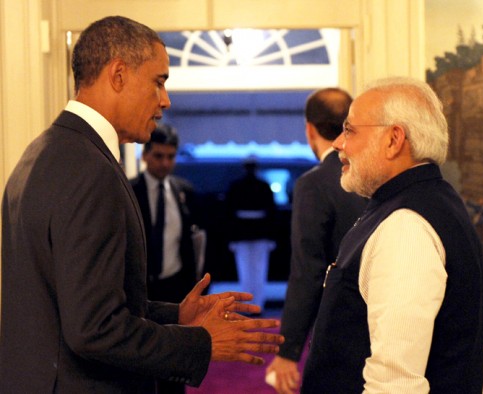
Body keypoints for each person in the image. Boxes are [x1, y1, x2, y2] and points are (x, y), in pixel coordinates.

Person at [0, 16, 284, 394]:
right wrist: (202, 343)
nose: (165, 100)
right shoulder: (88, 167)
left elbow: (75, 301)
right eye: (159, 81)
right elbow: (95, 328)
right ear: (118, 75)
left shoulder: (43, 151)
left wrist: (177, 315)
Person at [300, 77, 483, 393]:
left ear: (393, 139)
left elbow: (395, 383)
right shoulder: (423, 201)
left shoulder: (407, 226)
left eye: (350, 130)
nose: (338, 144)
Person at [266, 88, 366, 393]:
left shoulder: (314, 184)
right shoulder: (374, 175)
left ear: (309, 130)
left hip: (337, 331)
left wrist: (288, 350)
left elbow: (307, 271)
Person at [130, 125, 199, 394]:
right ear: (145, 156)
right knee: (141, 362)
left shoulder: (184, 191)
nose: (165, 163)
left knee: (174, 367)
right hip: (141, 288)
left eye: (170, 157)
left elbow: (192, 243)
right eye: (159, 156)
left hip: (174, 289)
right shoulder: (129, 190)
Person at [226, 158, 277, 310]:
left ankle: (251, 304)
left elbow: (229, 214)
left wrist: (232, 237)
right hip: (257, 231)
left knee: (247, 270)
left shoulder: (237, 186)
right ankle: (255, 304)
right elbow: (272, 213)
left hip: (244, 232)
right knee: (257, 270)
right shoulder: (263, 186)